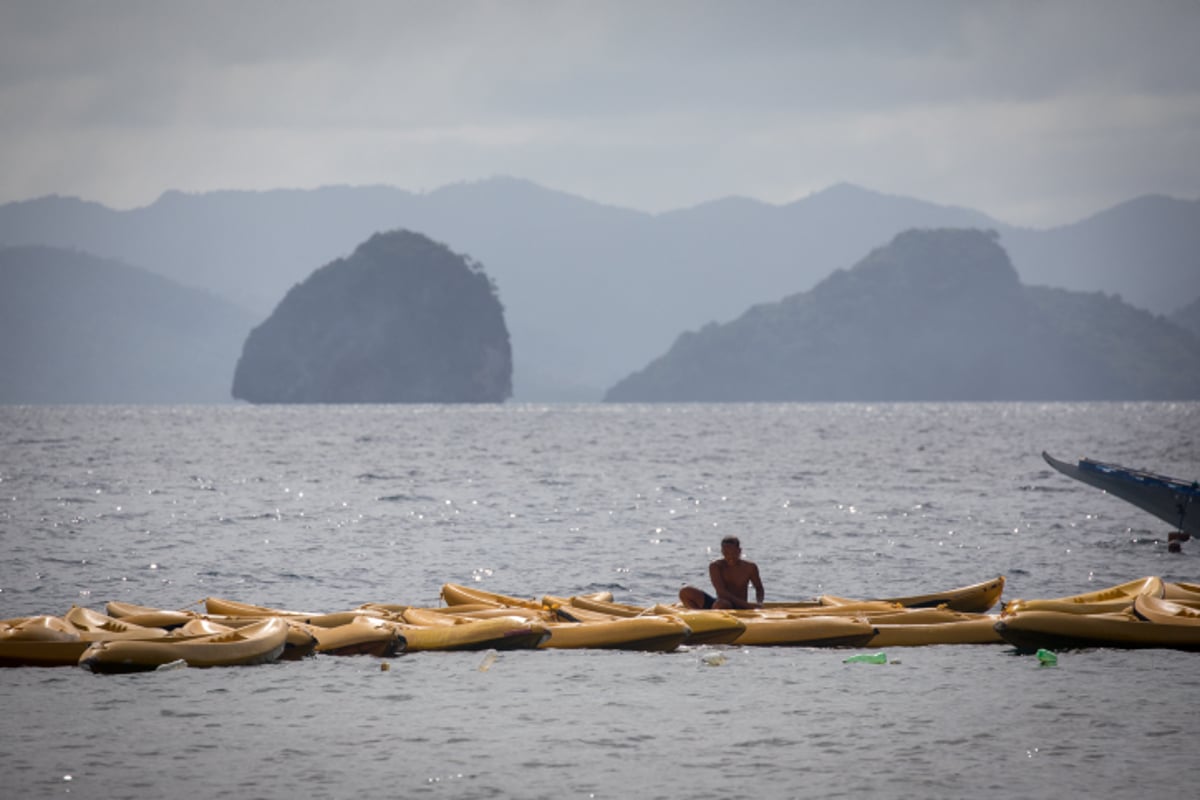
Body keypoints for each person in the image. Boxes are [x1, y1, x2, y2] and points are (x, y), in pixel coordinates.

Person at [679, 535, 764, 609]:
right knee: (685, 591)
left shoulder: (750, 567)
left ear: (739, 551)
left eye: (732, 553)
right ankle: (700, 617)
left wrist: (759, 603)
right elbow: (722, 592)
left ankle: (710, 616)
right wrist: (748, 606)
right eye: (726, 553)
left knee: (721, 604)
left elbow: (759, 588)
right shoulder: (716, 566)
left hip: (738, 607)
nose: (729, 557)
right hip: (720, 604)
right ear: (722, 551)